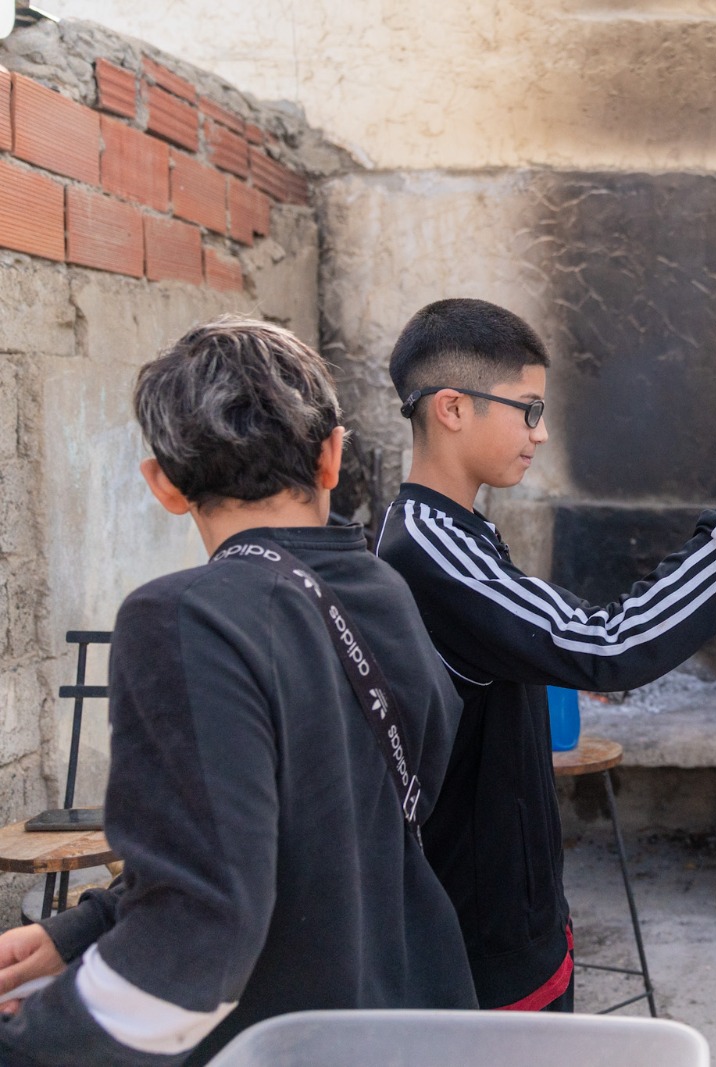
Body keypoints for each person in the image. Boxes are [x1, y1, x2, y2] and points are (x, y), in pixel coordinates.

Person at [0, 319, 476, 1065]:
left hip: (281, 1042)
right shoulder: (383, 590)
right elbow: (315, 836)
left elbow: (200, 934)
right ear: (332, 455)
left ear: (162, 483)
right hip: (417, 1020)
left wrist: (30, 1042)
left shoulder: (185, 617)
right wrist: (82, 930)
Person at [376, 298, 716, 1011]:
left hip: (504, 909)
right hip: (482, 941)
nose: (542, 432)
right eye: (526, 409)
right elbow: (612, 642)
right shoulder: (429, 549)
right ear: (453, 408)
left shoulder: (448, 529)